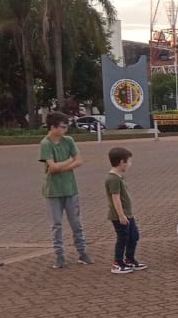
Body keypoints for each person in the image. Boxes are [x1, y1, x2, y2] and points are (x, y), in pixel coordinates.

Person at [39, 111, 92, 269]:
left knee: (76, 223)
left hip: (70, 188)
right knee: (56, 225)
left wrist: (61, 166)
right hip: (53, 191)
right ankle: (59, 256)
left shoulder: (68, 140)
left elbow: (79, 161)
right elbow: (52, 168)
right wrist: (69, 161)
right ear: (52, 127)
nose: (65, 129)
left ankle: (82, 252)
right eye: (62, 127)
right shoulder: (46, 143)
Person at [105, 147, 147, 274]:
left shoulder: (119, 177)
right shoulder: (113, 179)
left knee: (134, 236)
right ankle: (117, 263)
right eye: (128, 161)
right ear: (121, 162)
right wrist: (121, 215)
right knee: (123, 238)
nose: (130, 164)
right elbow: (115, 198)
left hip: (128, 214)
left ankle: (129, 259)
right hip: (120, 216)